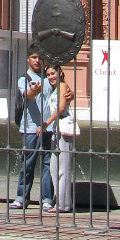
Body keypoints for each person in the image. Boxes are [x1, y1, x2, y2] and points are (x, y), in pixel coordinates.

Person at [13, 47, 54, 212]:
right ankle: (22, 197)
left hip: (48, 128)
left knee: (48, 165)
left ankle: (47, 199)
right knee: (27, 164)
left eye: (40, 57)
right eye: (34, 57)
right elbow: (27, 95)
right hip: (30, 128)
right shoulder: (24, 79)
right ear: (28, 59)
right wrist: (33, 91)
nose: (37, 60)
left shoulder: (49, 77)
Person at [47, 65, 77, 213]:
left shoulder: (63, 86)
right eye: (48, 75)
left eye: (53, 73)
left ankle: (63, 205)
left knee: (63, 168)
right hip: (56, 130)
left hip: (63, 129)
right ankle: (61, 200)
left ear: (60, 73)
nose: (51, 77)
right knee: (54, 168)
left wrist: (46, 122)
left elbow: (60, 108)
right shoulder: (55, 89)